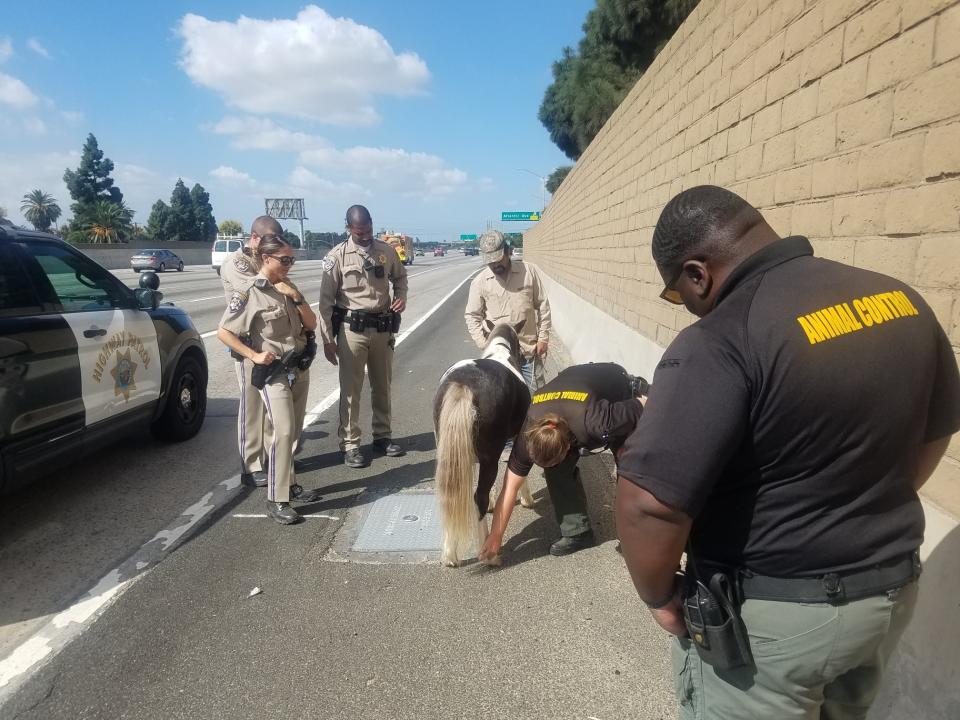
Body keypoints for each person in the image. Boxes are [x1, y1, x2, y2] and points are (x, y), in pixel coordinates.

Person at [615, 185, 960, 719]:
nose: (686, 309)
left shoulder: (722, 338)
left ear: (696, 274)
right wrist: (859, 502)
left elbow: (648, 504)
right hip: (889, 590)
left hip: (776, 620)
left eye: (677, 294)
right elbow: (936, 432)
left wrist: (659, 597)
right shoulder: (898, 298)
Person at [479, 362, 645, 559]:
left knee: (629, 468)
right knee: (556, 470)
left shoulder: (599, 421)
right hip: (572, 386)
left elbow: (644, 404)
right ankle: (578, 532)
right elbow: (509, 488)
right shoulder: (530, 431)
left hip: (615, 385)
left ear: (569, 447)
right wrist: (496, 536)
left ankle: (635, 535)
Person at [218, 235, 321, 525]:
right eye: (284, 260)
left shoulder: (288, 287)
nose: (289, 265)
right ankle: (277, 499)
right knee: (284, 431)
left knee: (294, 431)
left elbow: (311, 324)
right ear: (266, 258)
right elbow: (224, 332)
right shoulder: (251, 292)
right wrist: (252, 354)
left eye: (292, 260)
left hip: (298, 367)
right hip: (274, 372)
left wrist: (296, 297)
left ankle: (289, 484)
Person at [317, 205, 408, 469]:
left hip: (382, 328)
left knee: (383, 386)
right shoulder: (337, 257)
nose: (366, 236)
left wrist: (400, 298)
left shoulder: (386, 251)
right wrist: (328, 340)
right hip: (351, 330)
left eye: (368, 230)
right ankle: (350, 445)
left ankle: (382, 437)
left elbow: (400, 278)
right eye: (360, 232)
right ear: (349, 228)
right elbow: (325, 303)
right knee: (351, 391)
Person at [219, 215, 285, 488]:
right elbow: (263, 287)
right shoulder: (236, 264)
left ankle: (273, 459)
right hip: (247, 345)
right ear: (255, 237)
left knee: (271, 410)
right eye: (268, 240)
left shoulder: (261, 258)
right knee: (252, 407)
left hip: (269, 343)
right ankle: (250, 464)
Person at [464, 230, 551, 390]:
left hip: (528, 352)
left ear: (507, 251)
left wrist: (543, 338)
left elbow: (543, 306)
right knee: (500, 403)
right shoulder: (480, 282)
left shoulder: (528, 272)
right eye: (490, 262)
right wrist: (484, 344)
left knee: (537, 400)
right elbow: (472, 316)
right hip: (498, 356)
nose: (495, 264)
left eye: (498, 259)